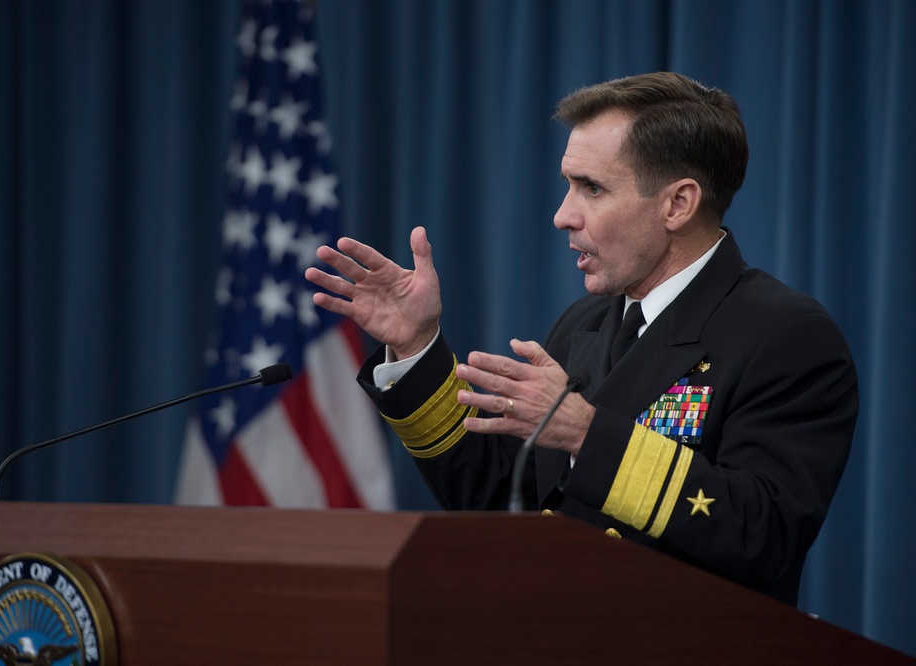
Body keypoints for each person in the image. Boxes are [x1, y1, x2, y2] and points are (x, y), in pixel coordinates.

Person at [304, 72, 857, 605]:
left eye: (591, 188)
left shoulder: (785, 335)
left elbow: (765, 534)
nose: (562, 216)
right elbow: (499, 498)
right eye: (569, 185)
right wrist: (417, 347)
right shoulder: (584, 323)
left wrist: (586, 433)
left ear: (678, 204)